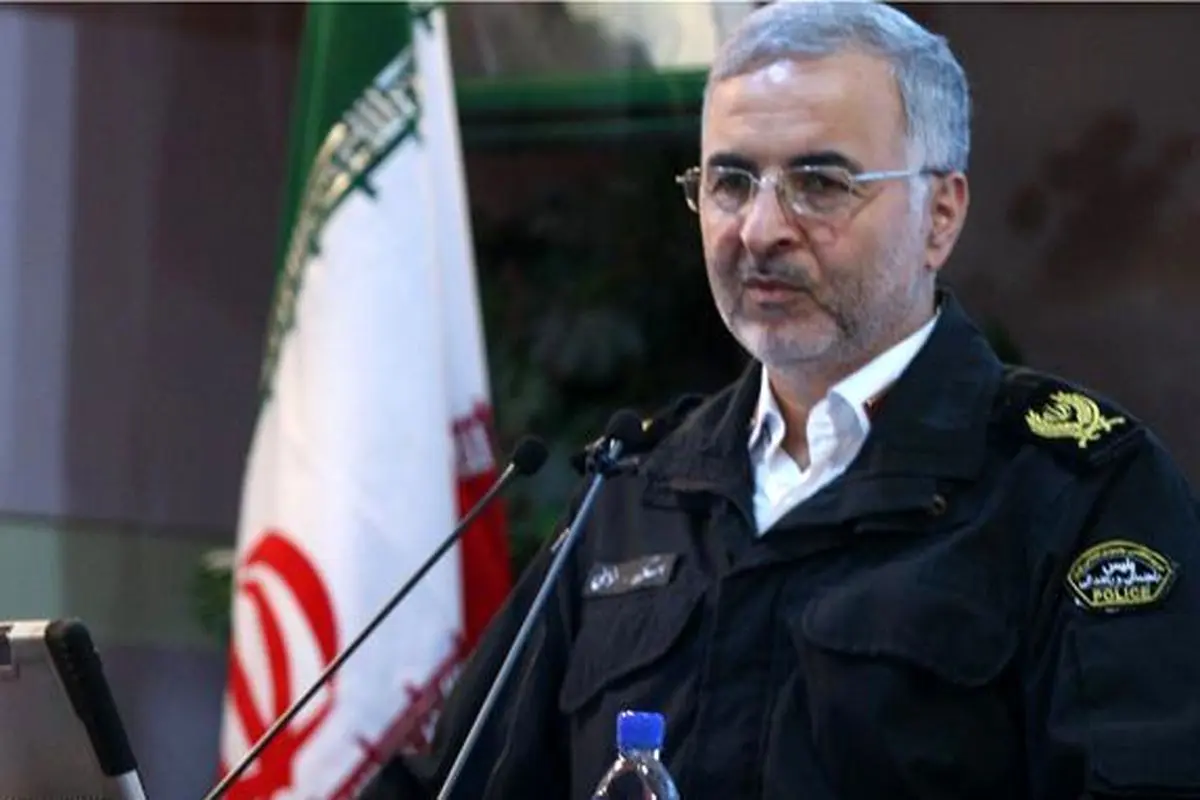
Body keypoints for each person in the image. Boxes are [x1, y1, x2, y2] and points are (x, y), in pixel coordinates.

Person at [363, 2, 1200, 798]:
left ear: (940, 216)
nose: (760, 229)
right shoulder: (632, 494)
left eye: (820, 182)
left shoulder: (1077, 493)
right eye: (731, 182)